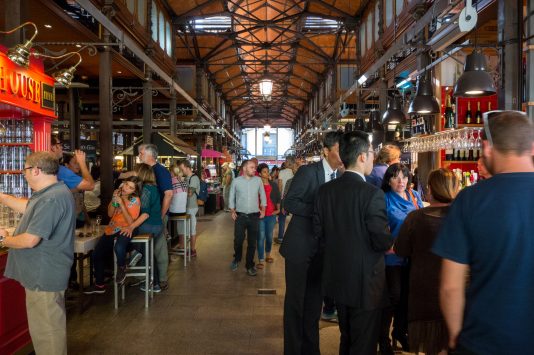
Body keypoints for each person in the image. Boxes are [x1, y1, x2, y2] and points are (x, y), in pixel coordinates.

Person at [432, 111, 534, 354]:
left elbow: (450, 286)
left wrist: (456, 338)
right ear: (531, 147)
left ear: (487, 148)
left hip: (484, 341)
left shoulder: (470, 201)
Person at [314, 131, 393, 354]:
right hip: (365, 282)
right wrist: (391, 239)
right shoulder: (371, 194)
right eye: (371, 153)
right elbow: (380, 239)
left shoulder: (325, 191)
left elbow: (318, 233)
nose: (373, 158)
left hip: (337, 278)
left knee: (346, 336)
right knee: (364, 343)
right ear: (361, 157)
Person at [0, 152, 76, 355]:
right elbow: (28, 206)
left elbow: (30, 240)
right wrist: (4, 197)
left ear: (36, 170)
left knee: (48, 332)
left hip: (44, 275)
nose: (23, 174)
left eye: (25, 169)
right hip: (44, 274)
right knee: (46, 328)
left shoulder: (51, 198)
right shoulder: (52, 192)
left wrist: (2, 239)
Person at [280, 130, 343, 355]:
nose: (342, 155)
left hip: (322, 249)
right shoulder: (309, 172)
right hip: (300, 246)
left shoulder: (341, 177)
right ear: (326, 151)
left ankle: (311, 349)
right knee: (296, 303)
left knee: (314, 303)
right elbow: (290, 202)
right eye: (338, 150)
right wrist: (320, 212)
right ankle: (293, 350)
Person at [394, 168, 460, 355]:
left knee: (429, 348)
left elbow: (401, 250)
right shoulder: (463, 216)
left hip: (424, 293)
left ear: (430, 189)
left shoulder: (416, 218)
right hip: (456, 293)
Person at [379, 163, 424, 354]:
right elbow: (379, 227)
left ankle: (400, 331)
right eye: (396, 177)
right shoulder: (384, 199)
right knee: (393, 298)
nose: (401, 181)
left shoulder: (415, 197)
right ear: (388, 180)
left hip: (412, 257)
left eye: (404, 177)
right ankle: (383, 338)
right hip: (392, 257)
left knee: (407, 298)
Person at [84, 177, 141, 294]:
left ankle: (122, 268)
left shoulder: (135, 200)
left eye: (130, 187)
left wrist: (122, 204)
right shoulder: (117, 194)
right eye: (126, 184)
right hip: (112, 228)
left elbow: (131, 222)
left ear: (134, 191)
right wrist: (114, 200)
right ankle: (99, 284)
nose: (126, 188)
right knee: (96, 254)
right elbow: (110, 214)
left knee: (119, 247)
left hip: (126, 228)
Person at [121, 164, 167, 292]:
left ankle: (136, 252)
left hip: (148, 226)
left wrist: (131, 227)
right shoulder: (153, 187)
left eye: (136, 172)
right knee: (150, 256)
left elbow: (145, 214)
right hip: (157, 226)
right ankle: (156, 284)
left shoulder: (146, 189)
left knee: (129, 240)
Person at [228, 160, 267, 276]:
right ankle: (237, 258)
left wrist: (263, 209)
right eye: (252, 167)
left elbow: (263, 195)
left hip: (254, 216)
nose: (255, 170)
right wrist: (232, 210)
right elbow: (231, 197)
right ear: (245, 168)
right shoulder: (236, 181)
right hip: (240, 216)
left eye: (255, 168)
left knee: (252, 243)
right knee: (238, 240)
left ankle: (249, 265)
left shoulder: (258, 180)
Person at [256, 163, 281, 269]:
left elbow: (278, 197)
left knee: (269, 237)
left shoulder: (273, 185)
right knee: (261, 237)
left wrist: (278, 210)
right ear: (260, 174)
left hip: (271, 214)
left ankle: (268, 254)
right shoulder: (256, 185)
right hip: (260, 215)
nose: (267, 173)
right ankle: (261, 259)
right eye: (264, 172)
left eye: (267, 171)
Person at [178, 160, 200, 256]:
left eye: (182, 169)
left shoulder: (194, 178)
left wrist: (181, 184)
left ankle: (193, 250)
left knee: (191, 228)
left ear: (187, 167)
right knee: (181, 228)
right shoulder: (186, 178)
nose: (181, 171)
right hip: (183, 207)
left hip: (191, 206)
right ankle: (182, 247)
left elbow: (190, 193)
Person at [276, 156, 296, 244]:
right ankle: (291, 237)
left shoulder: (282, 172)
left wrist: (280, 199)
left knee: (282, 218)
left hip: (283, 199)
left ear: (287, 162)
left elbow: (280, 186)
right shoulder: (295, 173)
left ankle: (281, 237)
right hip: (293, 199)